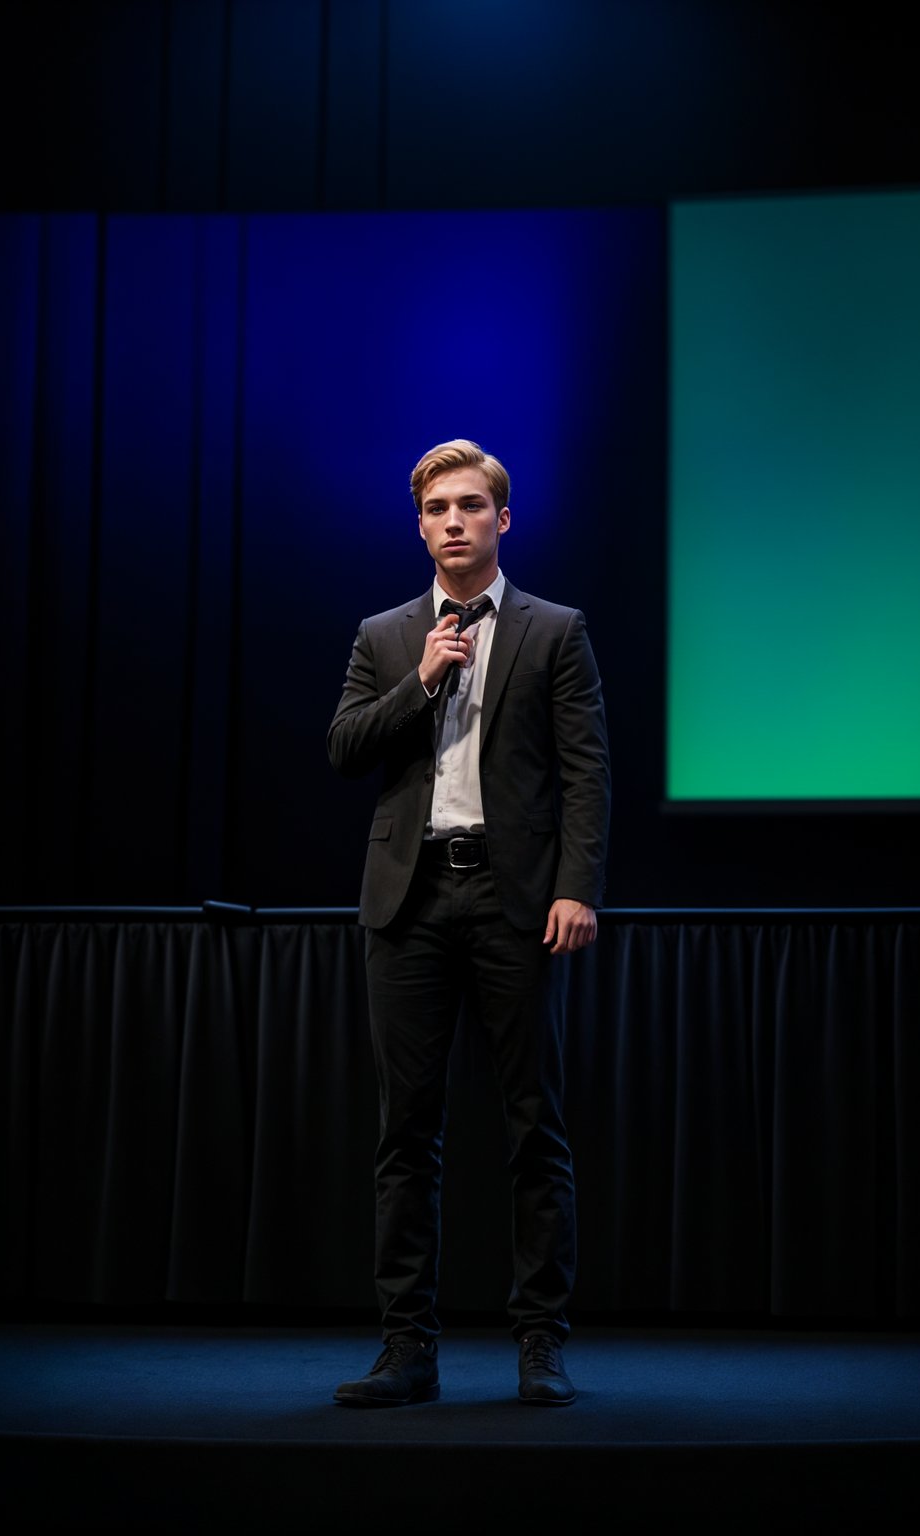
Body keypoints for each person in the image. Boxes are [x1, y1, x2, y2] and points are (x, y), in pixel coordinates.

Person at [327, 439, 610, 1407]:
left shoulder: (553, 630)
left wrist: (578, 886)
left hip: (514, 901)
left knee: (535, 1128)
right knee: (406, 1135)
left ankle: (540, 1344)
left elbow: (585, 772)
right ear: (419, 525)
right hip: (407, 905)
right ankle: (407, 1347)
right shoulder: (385, 633)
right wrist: (420, 680)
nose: (453, 521)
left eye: (470, 506)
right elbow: (343, 746)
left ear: (503, 519)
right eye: (437, 508)